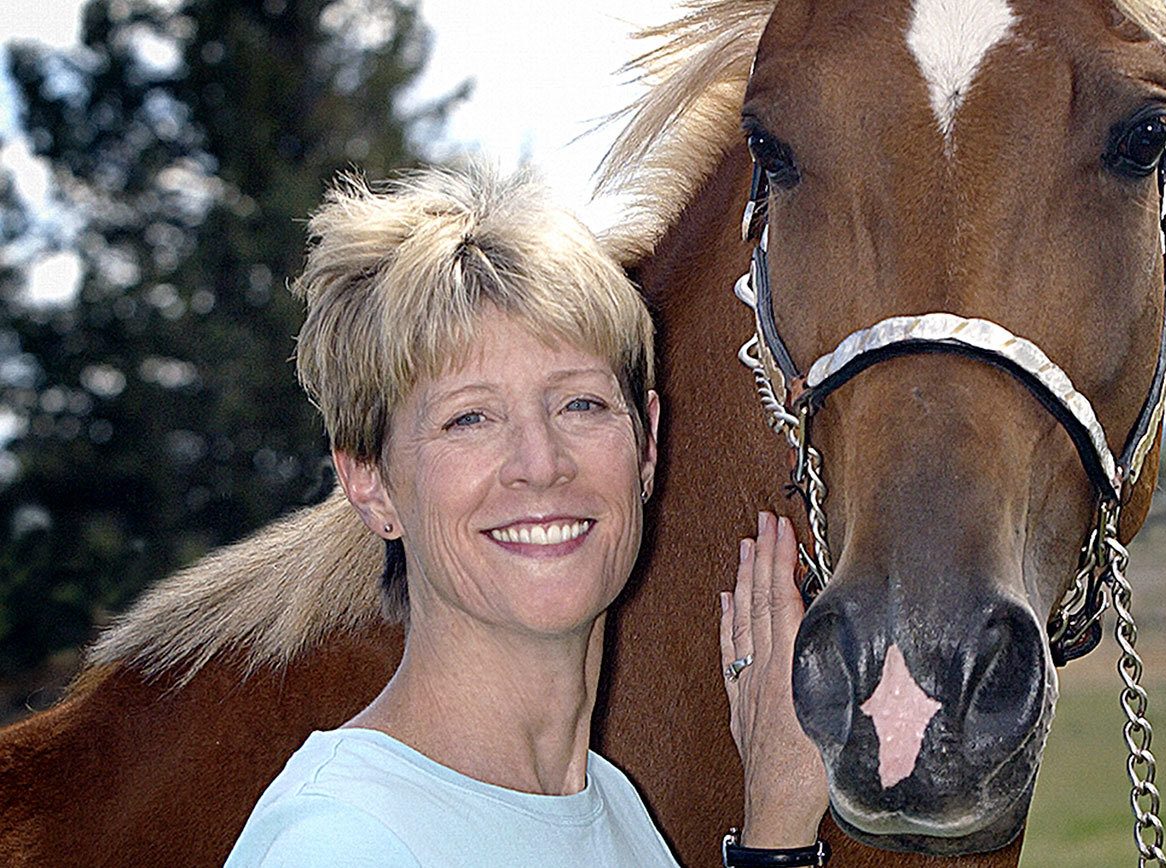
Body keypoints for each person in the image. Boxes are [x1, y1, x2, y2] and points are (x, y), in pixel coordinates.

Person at [224, 163, 827, 866]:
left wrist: (780, 814)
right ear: (370, 481)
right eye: (469, 418)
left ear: (647, 446)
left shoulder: (611, 809)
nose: (540, 463)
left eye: (581, 405)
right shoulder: (344, 842)